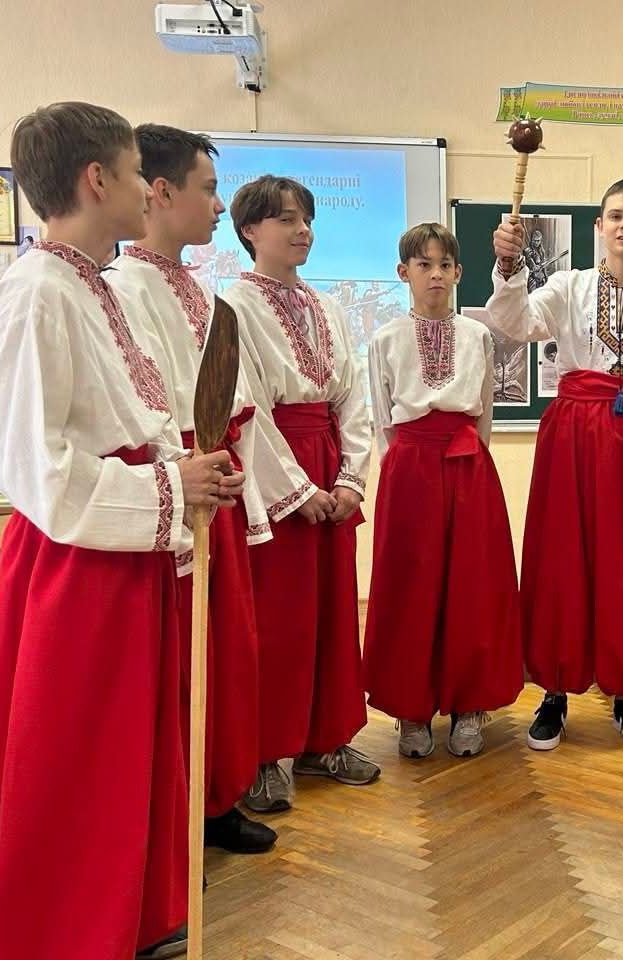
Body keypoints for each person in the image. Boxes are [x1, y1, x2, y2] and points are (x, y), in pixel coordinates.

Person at [0, 101, 239, 960]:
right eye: (131, 175)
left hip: (124, 553)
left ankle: (127, 916)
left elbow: (125, 419)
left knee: (126, 752)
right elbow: (34, 466)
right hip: (78, 565)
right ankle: (66, 933)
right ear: (96, 181)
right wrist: (168, 486)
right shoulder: (36, 295)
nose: (143, 191)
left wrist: (187, 474)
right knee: (74, 757)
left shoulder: (87, 284)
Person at [108, 123, 287, 855]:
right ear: (161, 191)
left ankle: (216, 797)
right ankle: (173, 819)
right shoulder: (121, 289)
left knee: (225, 652)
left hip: (214, 482)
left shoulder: (203, 293)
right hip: (172, 491)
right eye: (208, 190)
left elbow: (233, 399)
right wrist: (183, 471)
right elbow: (139, 403)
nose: (219, 207)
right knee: (177, 661)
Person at [486, 177, 623, 755]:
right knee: (561, 560)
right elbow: (513, 323)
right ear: (599, 226)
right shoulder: (567, 286)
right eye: (617, 215)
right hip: (573, 436)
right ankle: (554, 693)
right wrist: (507, 266)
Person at [223, 174, 378, 814]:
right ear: (249, 231)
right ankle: (267, 754)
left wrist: (349, 479)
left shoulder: (328, 306)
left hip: (327, 459)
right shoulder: (232, 307)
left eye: (306, 218)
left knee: (333, 612)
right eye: (285, 219)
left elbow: (354, 398)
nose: (302, 230)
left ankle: (325, 740)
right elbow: (246, 409)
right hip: (275, 473)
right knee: (279, 619)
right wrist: (297, 490)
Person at [363, 222, 522, 759]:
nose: (435, 274)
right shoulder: (385, 339)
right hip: (410, 467)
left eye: (445, 265)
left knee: (472, 584)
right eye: (424, 265)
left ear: (458, 272)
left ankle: (469, 705)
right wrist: (403, 469)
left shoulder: (478, 336)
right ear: (403, 272)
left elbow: (484, 412)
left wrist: (472, 467)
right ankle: (411, 708)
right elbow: (383, 418)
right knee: (410, 584)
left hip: (468, 467)